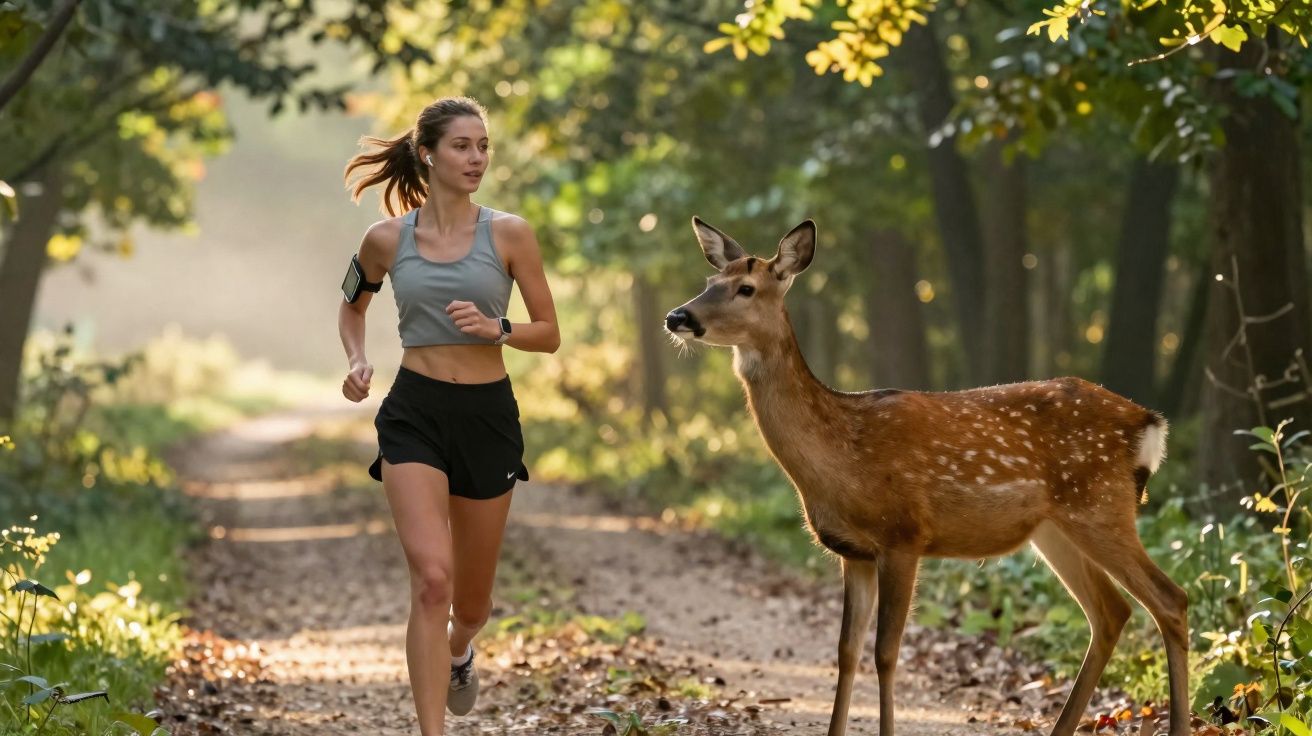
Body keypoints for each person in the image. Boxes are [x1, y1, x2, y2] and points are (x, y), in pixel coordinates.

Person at [338, 96, 560, 736]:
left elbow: (548, 333)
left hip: (487, 415)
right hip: (415, 412)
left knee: (471, 602)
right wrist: (356, 361)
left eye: (483, 146)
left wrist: (500, 329)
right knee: (431, 581)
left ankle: (461, 647)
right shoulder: (385, 240)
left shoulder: (509, 233)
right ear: (428, 153)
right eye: (463, 146)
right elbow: (352, 307)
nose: (477, 158)